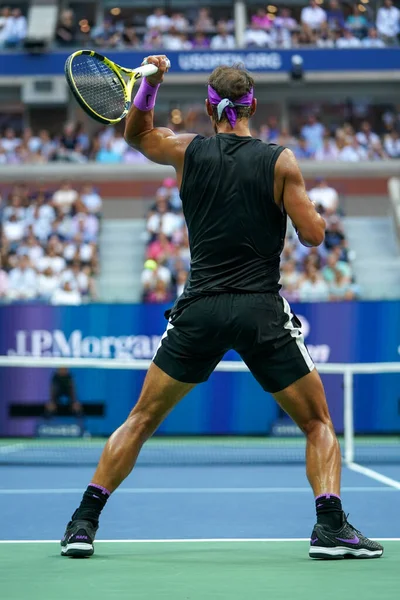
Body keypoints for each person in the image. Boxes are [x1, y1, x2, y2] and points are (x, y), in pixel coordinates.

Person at [61, 56, 383, 561]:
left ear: (210, 110)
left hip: (201, 309)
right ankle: (329, 526)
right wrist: (304, 206)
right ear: (252, 104)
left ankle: (83, 522)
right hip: (260, 312)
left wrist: (149, 86)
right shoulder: (281, 161)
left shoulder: (188, 150)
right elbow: (315, 236)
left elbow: (136, 135)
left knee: (142, 417)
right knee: (318, 422)